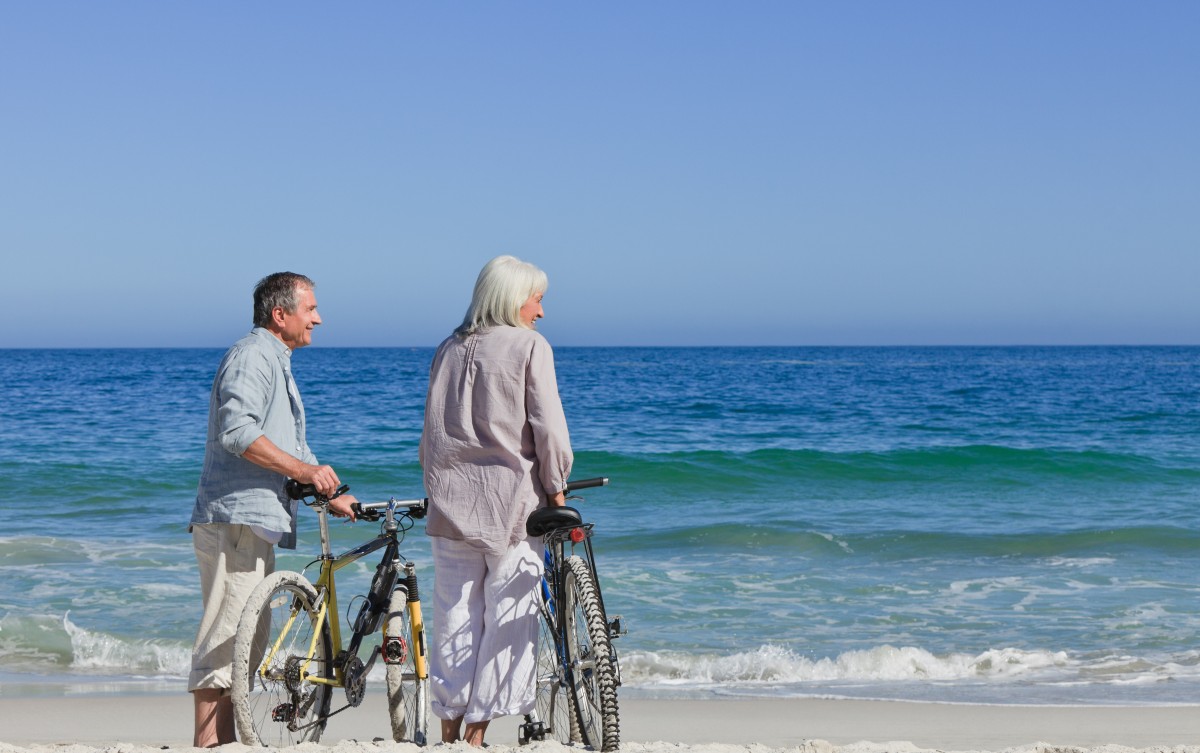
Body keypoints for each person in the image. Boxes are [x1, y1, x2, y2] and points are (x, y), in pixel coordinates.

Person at [187, 272, 358, 748]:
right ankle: (208, 746)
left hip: (254, 521)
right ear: (280, 315)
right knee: (225, 642)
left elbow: (291, 447)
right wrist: (305, 471)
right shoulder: (253, 355)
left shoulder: (275, 359)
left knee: (246, 644)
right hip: (234, 518)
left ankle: (221, 744)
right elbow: (237, 433)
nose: (318, 318)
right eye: (311, 309)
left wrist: (331, 491)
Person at [419, 255, 574, 747]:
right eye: (537, 299)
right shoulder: (530, 346)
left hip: (449, 504)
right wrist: (557, 488)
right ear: (513, 298)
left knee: (454, 618)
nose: (542, 311)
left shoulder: (447, 348)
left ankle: (448, 728)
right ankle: (476, 734)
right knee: (509, 619)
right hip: (513, 508)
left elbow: (431, 435)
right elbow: (548, 428)